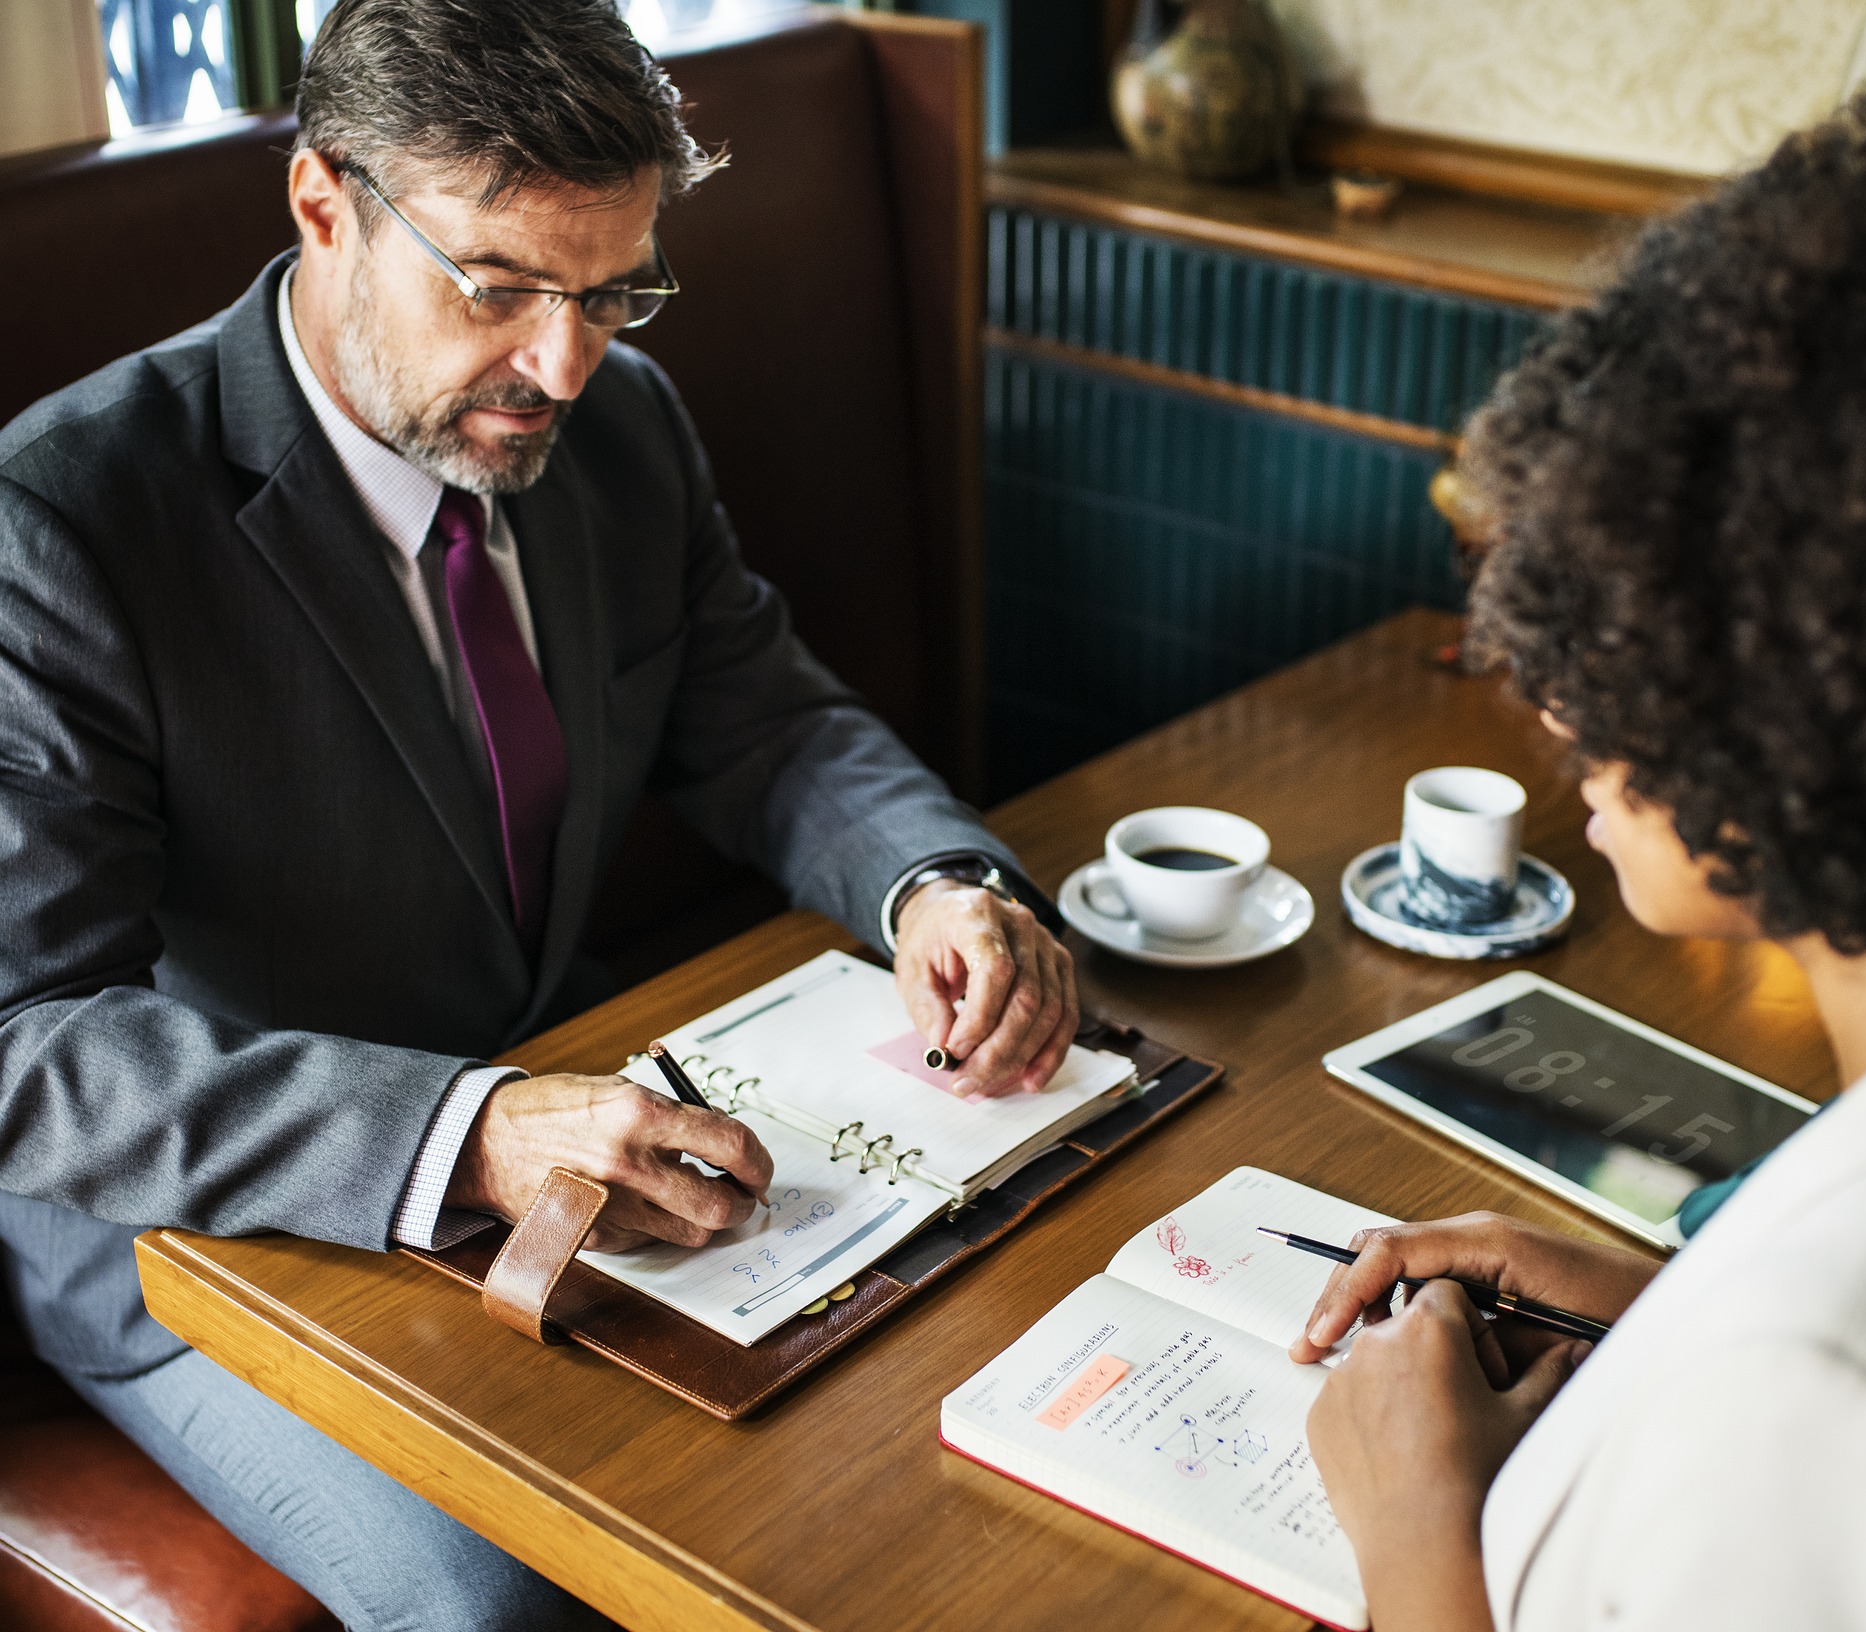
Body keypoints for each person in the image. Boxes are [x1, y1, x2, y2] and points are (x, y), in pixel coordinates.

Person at [0, 1, 1077, 1625]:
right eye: (496, 287)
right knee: (516, 1597)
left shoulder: (620, 427)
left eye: (613, 290)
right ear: (321, 209)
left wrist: (933, 881)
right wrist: (472, 1128)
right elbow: (28, 1044)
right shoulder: (62, 521)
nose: (564, 363)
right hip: (209, 1246)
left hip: (577, 1137)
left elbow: (769, 726)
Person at [1289, 88, 1866, 1631]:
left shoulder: (1818, 1377)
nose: (1554, 699)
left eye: (1607, 630)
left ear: (1795, 683)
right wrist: (1666, 1318)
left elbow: (1835, 1412)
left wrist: (1419, 1542)